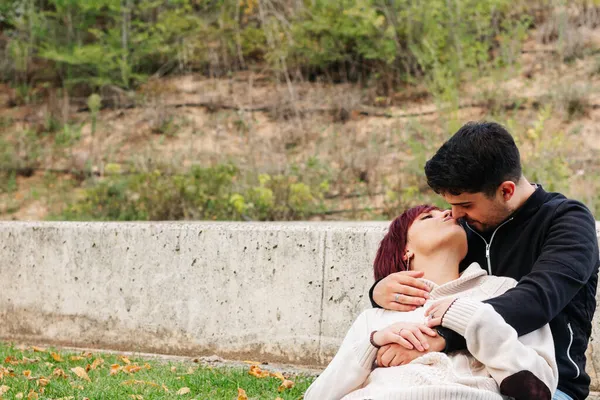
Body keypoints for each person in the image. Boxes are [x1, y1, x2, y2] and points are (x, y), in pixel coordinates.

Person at [370, 122, 599, 400]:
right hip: (461, 376)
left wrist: (444, 335)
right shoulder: (466, 230)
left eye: (465, 205)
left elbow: (537, 300)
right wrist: (379, 292)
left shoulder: (567, 222)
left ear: (506, 191)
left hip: (546, 383)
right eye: (450, 204)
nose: (454, 215)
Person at [304, 206, 558, 400]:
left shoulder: (504, 292)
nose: (449, 212)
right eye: (428, 217)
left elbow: (539, 387)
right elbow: (318, 395)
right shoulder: (376, 318)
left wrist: (474, 318)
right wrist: (373, 343)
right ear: (405, 249)